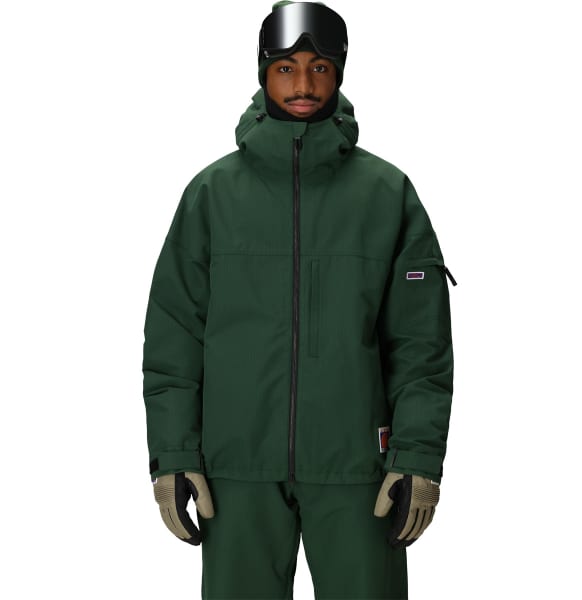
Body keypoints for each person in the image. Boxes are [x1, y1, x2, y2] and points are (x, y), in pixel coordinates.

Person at [142, 2, 456, 598]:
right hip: (235, 473)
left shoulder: (387, 194)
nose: (304, 85)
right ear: (263, 73)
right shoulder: (212, 194)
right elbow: (173, 337)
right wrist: (174, 453)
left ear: (340, 74)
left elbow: (421, 346)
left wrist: (416, 457)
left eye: (319, 68)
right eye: (286, 69)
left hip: (360, 472)